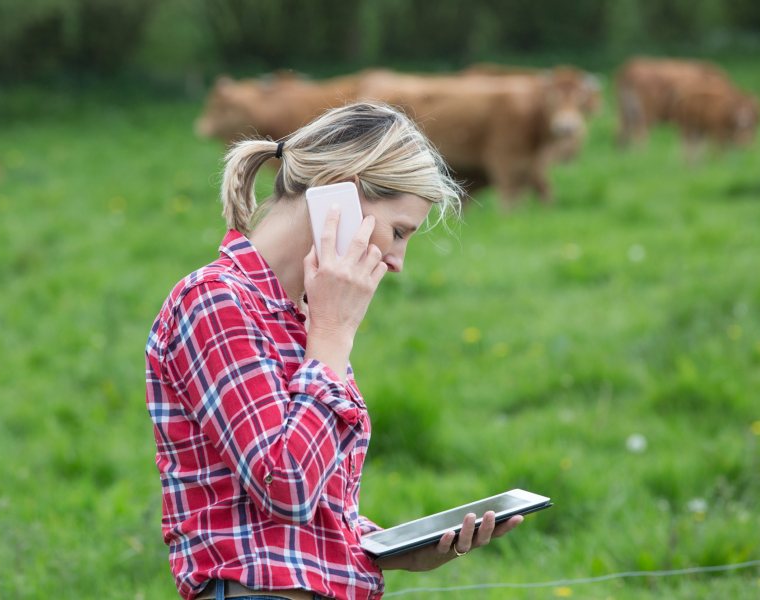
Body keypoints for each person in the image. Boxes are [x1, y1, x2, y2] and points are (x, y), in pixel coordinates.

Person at [145, 102, 523, 600]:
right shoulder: (216, 301)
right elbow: (287, 488)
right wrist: (332, 333)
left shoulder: (302, 315)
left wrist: (387, 548)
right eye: (399, 231)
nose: (397, 261)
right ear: (339, 194)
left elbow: (302, 510)